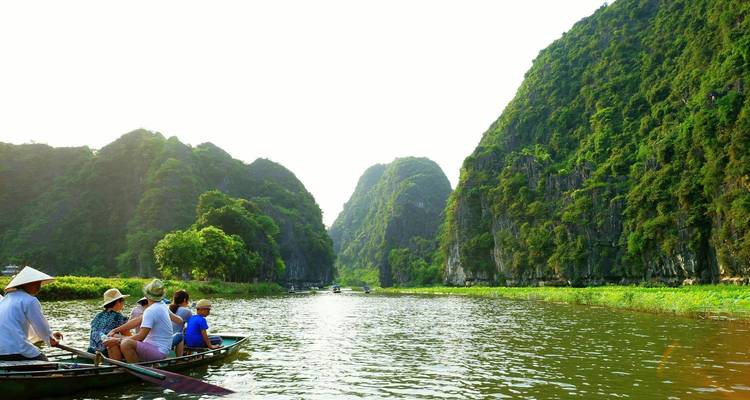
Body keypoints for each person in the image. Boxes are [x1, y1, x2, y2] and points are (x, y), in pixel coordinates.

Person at [0, 266, 64, 361]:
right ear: (25, 284)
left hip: (1, 351)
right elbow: (41, 327)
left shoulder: (5, 300)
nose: (38, 287)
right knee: (46, 363)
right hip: (16, 349)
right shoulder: (30, 300)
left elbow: (28, 329)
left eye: (39, 284)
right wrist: (50, 340)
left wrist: (50, 336)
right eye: (35, 284)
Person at [116, 279, 175, 362]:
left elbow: (140, 337)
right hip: (158, 348)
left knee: (126, 344)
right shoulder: (162, 304)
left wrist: (118, 340)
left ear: (146, 296)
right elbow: (137, 320)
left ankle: (136, 370)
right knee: (116, 338)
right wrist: (115, 330)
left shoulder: (151, 310)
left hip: (158, 351)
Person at [87, 288, 130, 360]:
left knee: (115, 337)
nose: (123, 303)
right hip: (106, 351)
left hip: (91, 350)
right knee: (126, 340)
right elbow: (127, 334)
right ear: (117, 302)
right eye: (122, 300)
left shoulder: (98, 315)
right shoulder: (119, 317)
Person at [169, 290, 192, 357]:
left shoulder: (168, 308)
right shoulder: (187, 311)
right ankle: (180, 357)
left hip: (165, 338)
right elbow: (192, 328)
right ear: (185, 300)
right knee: (182, 334)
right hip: (175, 340)